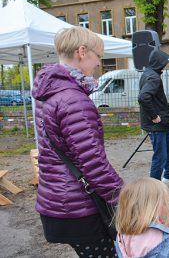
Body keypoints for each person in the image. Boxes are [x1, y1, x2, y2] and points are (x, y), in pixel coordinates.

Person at [32, 26, 123, 257]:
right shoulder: (74, 100)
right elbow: (92, 161)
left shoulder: (50, 92)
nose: (99, 64)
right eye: (98, 56)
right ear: (82, 52)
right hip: (78, 207)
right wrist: (125, 197)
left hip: (57, 199)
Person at [138, 50, 169, 187]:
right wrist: (154, 116)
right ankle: (154, 186)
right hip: (156, 124)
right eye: (164, 64)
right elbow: (143, 97)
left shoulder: (149, 74)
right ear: (159, 63)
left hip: (162, 123)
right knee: (160, 156)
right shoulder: (154, 78)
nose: (165, 66)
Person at [115, 178, 169, 258]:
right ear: (153, 207)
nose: (167, 205)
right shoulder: (161, 240)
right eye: (165, 202)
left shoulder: (123, 233)